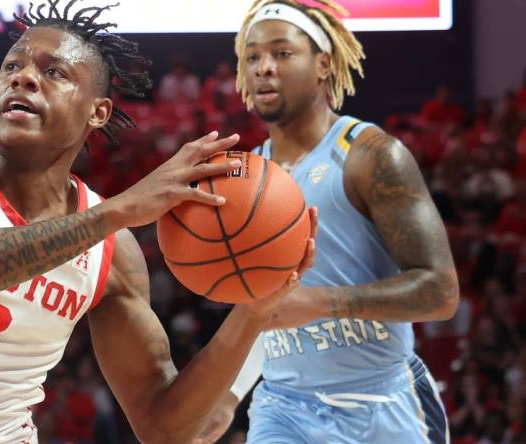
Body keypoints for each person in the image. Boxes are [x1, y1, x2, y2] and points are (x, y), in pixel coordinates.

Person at [0, 1, 317, 443]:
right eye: (11, 67)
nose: (22, 78)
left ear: (97, 111)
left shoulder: (113, 253)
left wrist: (251, 315)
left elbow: (163, 426)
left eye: (54, 71)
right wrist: (118, 210)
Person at [194, 1, 459, 443]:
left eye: (281, 53)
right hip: (283, 408)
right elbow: (266, 314)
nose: (263, 68)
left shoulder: (369, 155)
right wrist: (231, 393)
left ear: (323, 64)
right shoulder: (246, 178)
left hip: (384, 403)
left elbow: (440, 292)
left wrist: (324, 303)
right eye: (253, 56)